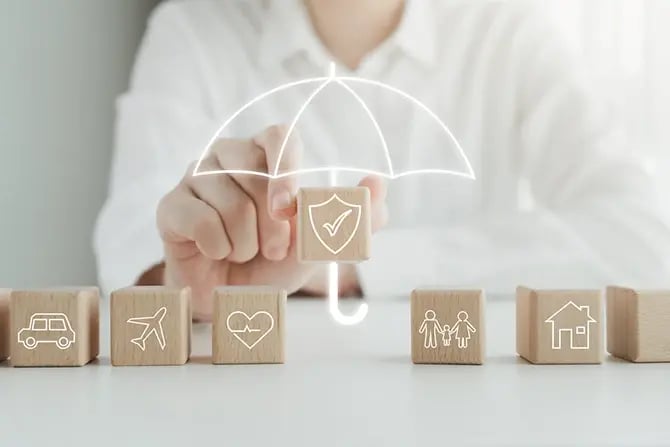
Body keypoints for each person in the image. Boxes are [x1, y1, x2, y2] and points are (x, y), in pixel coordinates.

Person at [94, 0, 670, 321]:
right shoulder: (193, 28)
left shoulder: (509, 29)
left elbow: (643, 239)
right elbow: (129, 237)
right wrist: (184, 282)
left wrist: (348, 266)